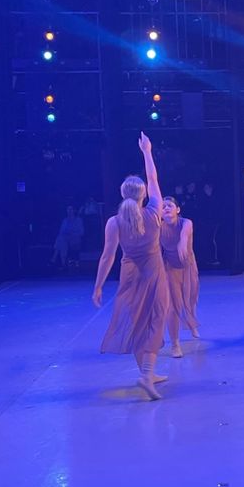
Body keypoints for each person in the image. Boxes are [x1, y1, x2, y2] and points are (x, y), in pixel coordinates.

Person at [92, 133, 170, 401]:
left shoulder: (114, 222)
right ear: (144, 194)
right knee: (155, 320)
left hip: (130, 276)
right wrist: (147, 152)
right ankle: (146, 375)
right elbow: (154, 179)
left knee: (137, 322)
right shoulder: (154, 211)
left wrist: (99, 286)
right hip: (154, 275)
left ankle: (148, 372)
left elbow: (106, 257)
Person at [160, 196, 200, 357]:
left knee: (190, 299)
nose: (166, 208)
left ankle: (191, 322)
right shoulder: (158, 227)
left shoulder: (186, 223)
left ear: (178, 210)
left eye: (170, 205)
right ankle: (175, 344)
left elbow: (184, 236)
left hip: (188, 266)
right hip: (170, 268)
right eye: (163, 207)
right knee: (173, 306)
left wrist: (182, 244)